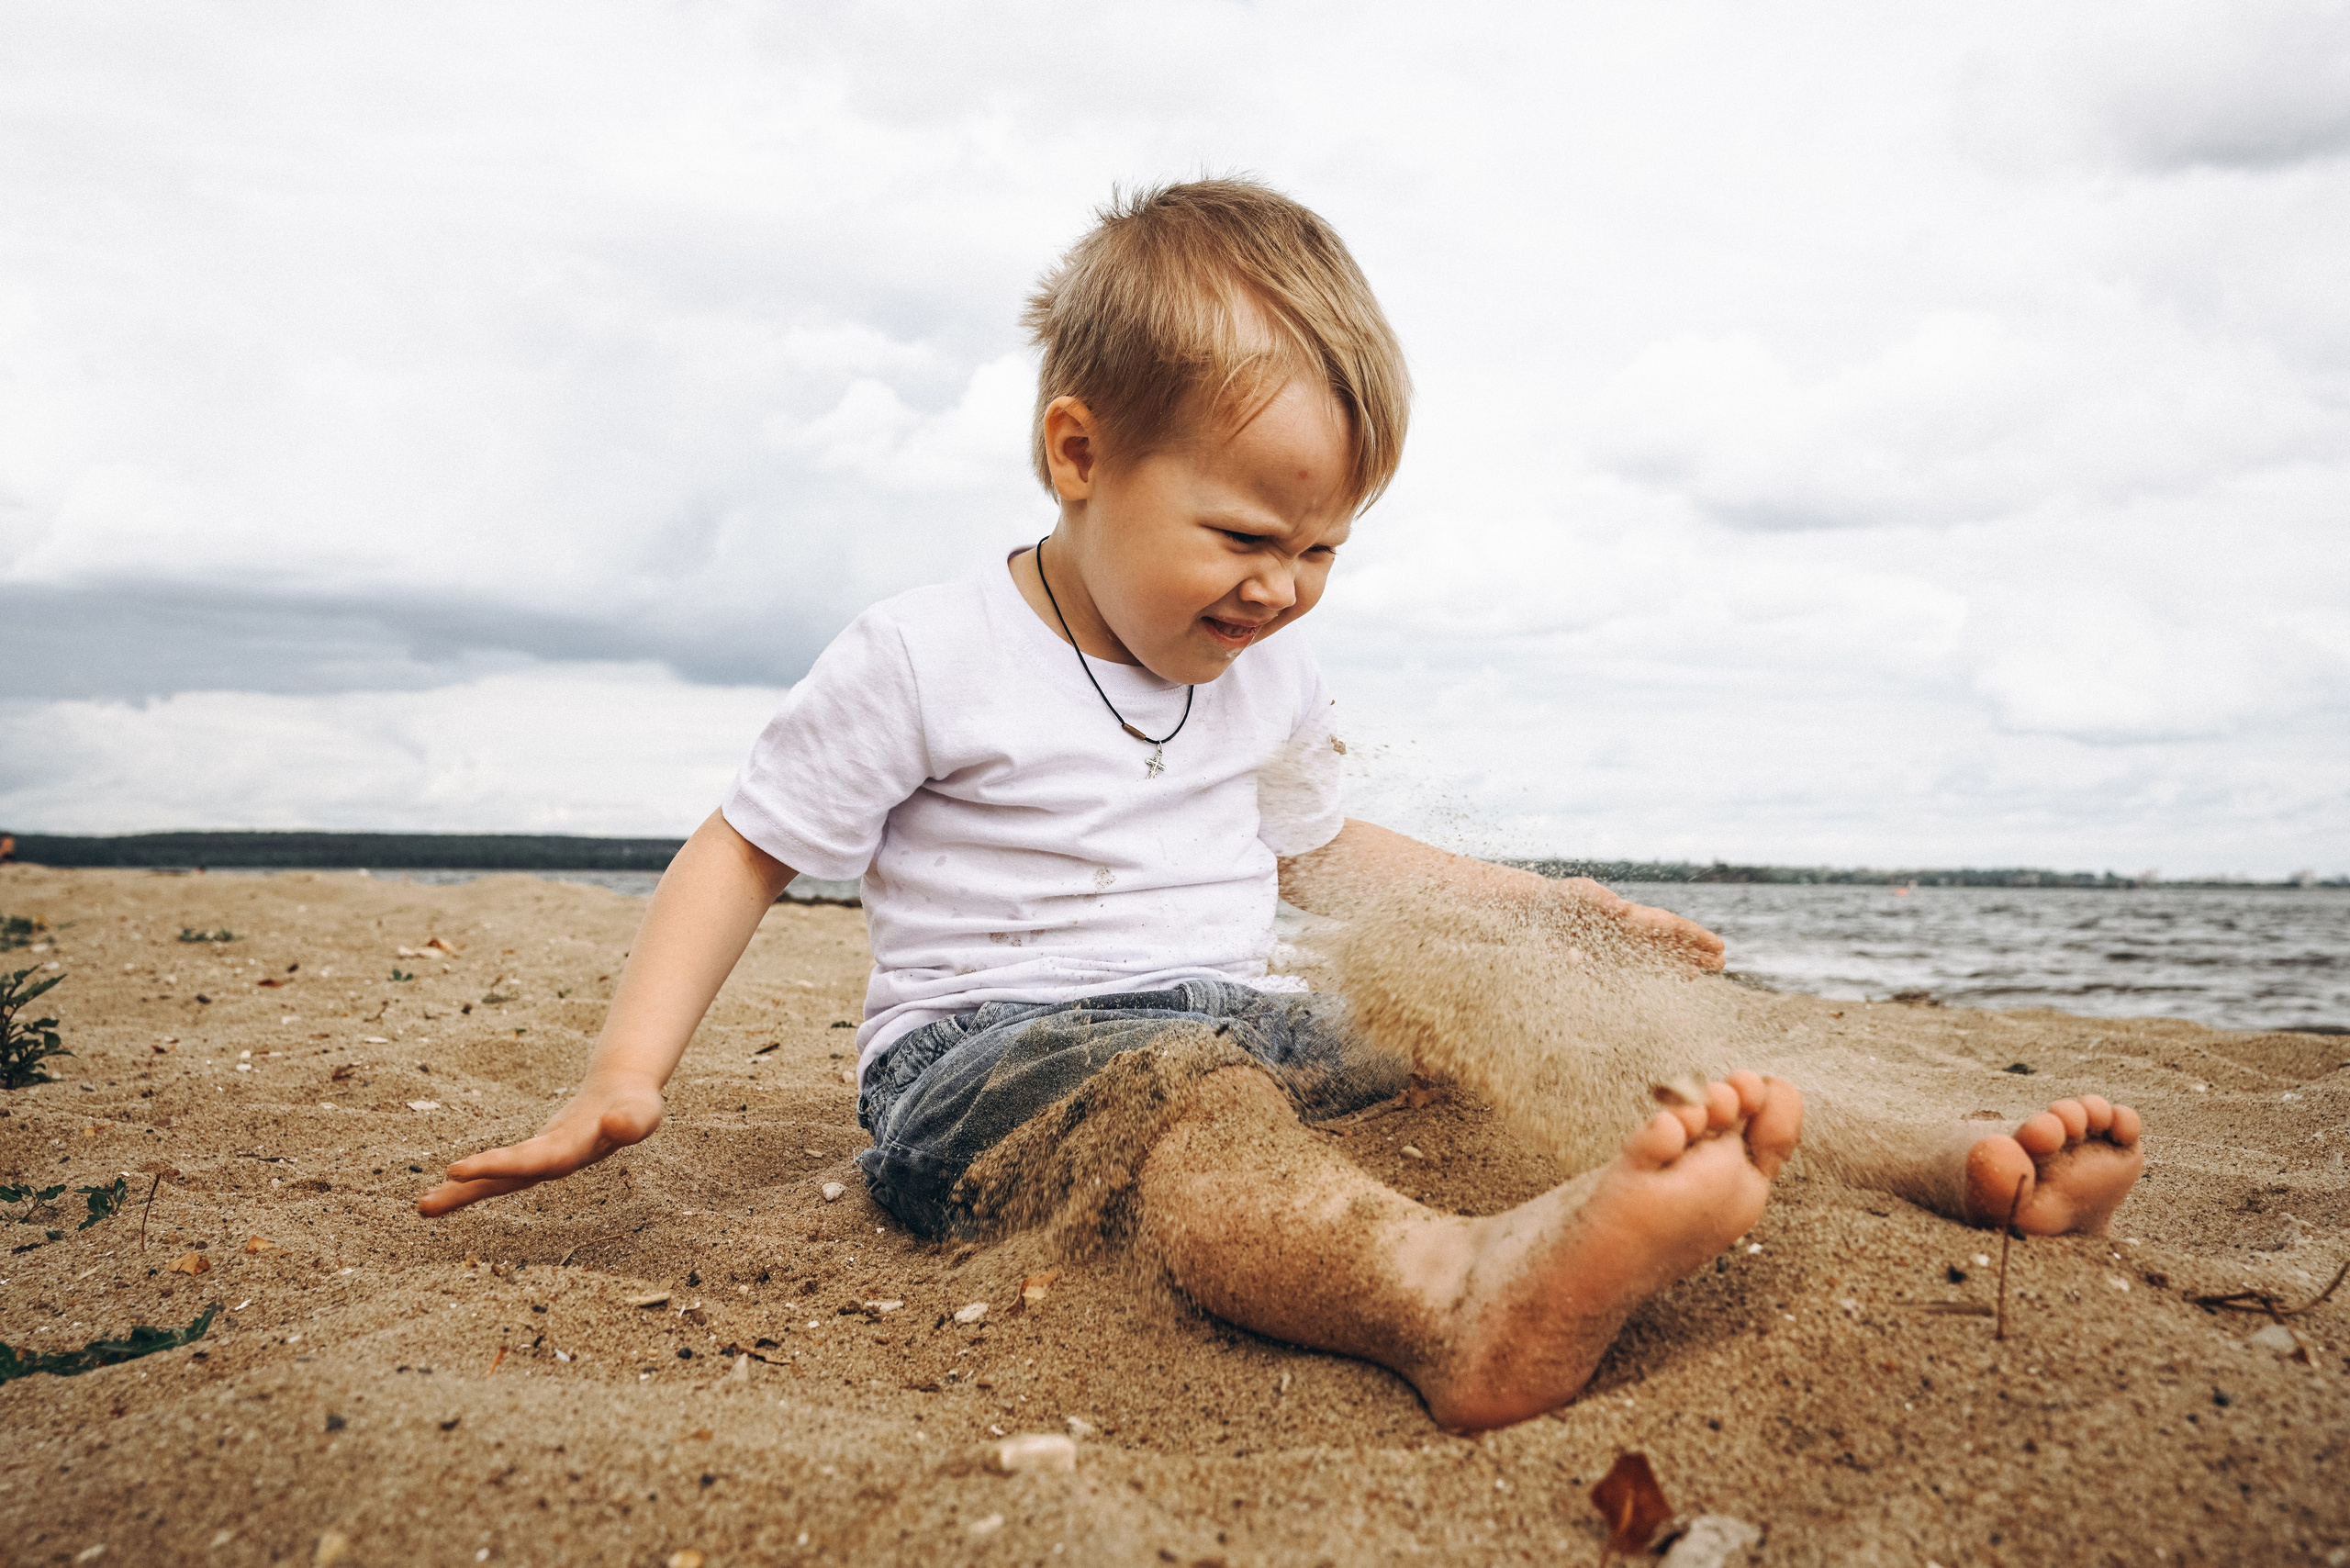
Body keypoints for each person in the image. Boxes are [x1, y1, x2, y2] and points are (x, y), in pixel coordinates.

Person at [420, 180, 2142, 1430]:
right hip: (990, 1058)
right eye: (1247, 538)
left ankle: (1948, 1167)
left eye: (1325, 549)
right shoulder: (922, 656)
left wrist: (1554, 915)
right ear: (1078, 456)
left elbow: (1323, 854)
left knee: (1528, 1029)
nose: (1287, 590)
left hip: (1238, 1007)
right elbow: (748, 850)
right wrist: (624, 1080)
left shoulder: (1266, 674)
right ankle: (1444, 1300)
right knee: (1201, 1108)